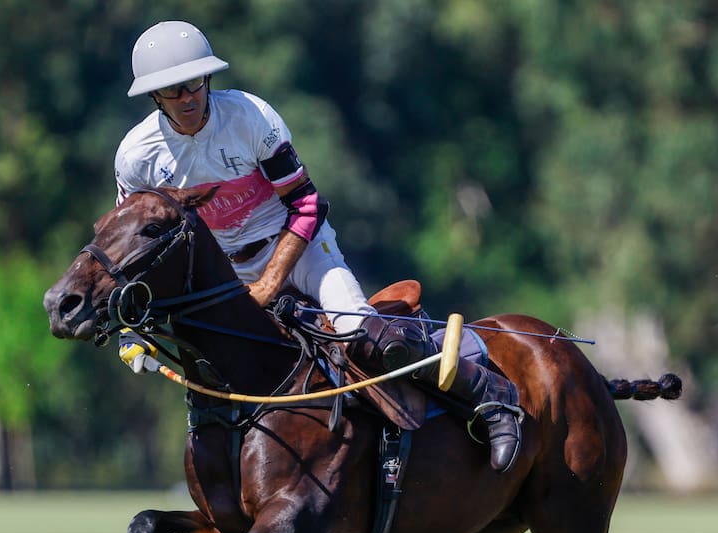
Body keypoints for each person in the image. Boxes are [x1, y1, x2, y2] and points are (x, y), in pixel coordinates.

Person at [114, 21, 522, 472]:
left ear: (208, 78)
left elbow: (307, 204)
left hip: (299, 247)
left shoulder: (249, 118)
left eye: (194, 83)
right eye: (173, 91)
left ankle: (489, 393)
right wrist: (135, 329)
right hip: (225, 277)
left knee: (360, 332)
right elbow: (139, 246)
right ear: (155, 96)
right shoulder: (137, 158)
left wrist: (271, 281)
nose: (188, 97)